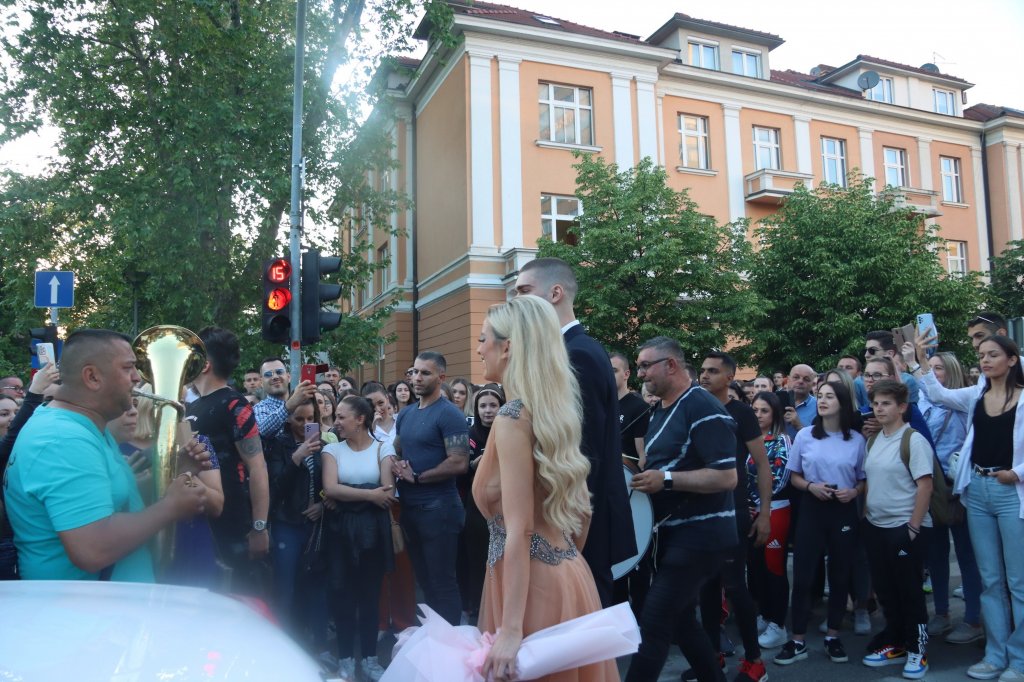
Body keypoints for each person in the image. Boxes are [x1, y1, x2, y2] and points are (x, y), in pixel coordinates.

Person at [473, 295, 617, 682]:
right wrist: (561, 561)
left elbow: (520, 529)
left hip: (528, 592)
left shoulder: (512, 418)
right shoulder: (553, 411)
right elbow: (582, 510)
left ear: (507, 347)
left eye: (484, 339)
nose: (479, 348)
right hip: (568, 575)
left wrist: (511, 629)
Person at [4, 329, 207, 581]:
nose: (137, 378)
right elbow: (92, 549)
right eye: (128, 368)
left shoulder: (83, 426)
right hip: (84, 604)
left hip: (104, 600)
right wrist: (171, 507)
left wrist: (173, 471)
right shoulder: (63, 439)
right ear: (92, 377)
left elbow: (106, 497)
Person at [514, 257, 635, 607]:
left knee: (588, 619)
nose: (517, 300)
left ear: (555, 293)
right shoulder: (569, 350)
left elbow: (583, 449)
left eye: (524, 291)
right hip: (578, 513)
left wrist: (565, 519)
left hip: (583, 516)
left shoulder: (577, 354)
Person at [908, 331, 1024, 681]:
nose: (985, 360)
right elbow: (937, 393)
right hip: (978, 489)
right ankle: (995, 655)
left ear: (1013, 360)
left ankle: (1019, 660)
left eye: (993, 354)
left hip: (1011, 491)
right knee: (990, 580)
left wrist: (1016, 473)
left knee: (1018, 581)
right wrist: (920, 359)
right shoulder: (977, 395)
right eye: (982, 355)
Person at [626, 336, 738, 682]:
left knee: (654, 623)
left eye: (646, 366)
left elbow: (727, 476)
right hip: (676, 535)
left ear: (671, 365)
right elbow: (662, 465)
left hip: (701, 534)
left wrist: (666, 479)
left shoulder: (702, 407)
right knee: (682, 622)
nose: (640, 374)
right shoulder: (661, 410)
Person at [692, 352, 772, 682]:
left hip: (734, 510)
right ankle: (714, 658)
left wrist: (764, 513)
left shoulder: (741, 412)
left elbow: (762, 465)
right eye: (702, 370)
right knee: (707, 589)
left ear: (729, 377)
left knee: (736, 586)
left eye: (713, 371)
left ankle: (755, 661)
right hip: (702, 512)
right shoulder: (693, 408)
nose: (704, 375)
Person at [774, 381, 865, 667]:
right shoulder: (805, 435)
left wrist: (854, 492)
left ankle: (833, 636)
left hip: (843, 509)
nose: (823, 401)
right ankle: (797, 639)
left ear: (842, 403)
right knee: (803, 576)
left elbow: (863, 479)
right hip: (812, 508)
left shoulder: (856, 440)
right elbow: (794, 476)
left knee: (839, 575)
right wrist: (811, 486)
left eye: (830, 396)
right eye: (820, 396)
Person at [186, 327, 271, 595]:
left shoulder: (235, 404)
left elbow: (257, 466)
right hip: (200, 521)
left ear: (205, 364)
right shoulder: (193, 406)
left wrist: (259, 527)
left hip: (232, 525)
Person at [860, 380, 934, 679]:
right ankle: (896, 643)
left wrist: (913, 528)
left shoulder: (913, 440)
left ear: (902, 407)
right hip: (876, 527)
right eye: (876, 403)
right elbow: (870, 481)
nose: (879, 409)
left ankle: (918, 650)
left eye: (886, 403)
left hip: (903, 527)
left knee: (910, 592)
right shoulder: (874, 440)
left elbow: (925, 485)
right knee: (887, 591)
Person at [391, 351, 469, 626]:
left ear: (441, 377)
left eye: (425, 372)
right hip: (410, 509)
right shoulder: (406, 414)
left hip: (440, 510)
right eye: (414, 371)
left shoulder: (450, 414)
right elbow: (397, 450)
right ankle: (433, 640)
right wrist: (396, 463)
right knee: (424, 582)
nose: (417, 378)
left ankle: (451, 643)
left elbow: (459, 462)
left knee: (442, 583)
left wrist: (418, 477)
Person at [322, 395, 396, 682]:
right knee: (342, 595)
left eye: (342, 417)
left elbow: (387, 492)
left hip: (373, 534)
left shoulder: (383, 447)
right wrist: (368, 494)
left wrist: (347, 494)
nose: (336, 422)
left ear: (360, 419)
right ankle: (345, 660)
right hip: (340, 534)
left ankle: (369, 659)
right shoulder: (332, 449)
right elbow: (330, 488)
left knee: (369, 596)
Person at [919, 352, 983, 645]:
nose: (932, 373)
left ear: (952, 372)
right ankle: (942, 612)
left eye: (939, 369)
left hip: (957, 486)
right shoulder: (923, 403)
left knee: (967, 554)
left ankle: (973, 618)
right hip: (931, 486)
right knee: (936, 554)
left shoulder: (964, 403)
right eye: (930, 368)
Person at [266, 396, 328, 653]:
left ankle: (320, 645)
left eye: (311, 419)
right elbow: (275, 488)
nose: (305, 424)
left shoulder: (324, 446)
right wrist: (296, 458)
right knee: (285, 586)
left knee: (317, 585)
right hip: (288, 523)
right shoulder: (278, 445)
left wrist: (323, 504)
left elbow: (331, 484)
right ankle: (282, 646)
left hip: (315, 526)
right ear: (289, 419)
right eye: (299, 419)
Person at [0, 362, 59, 580]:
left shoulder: (28, 447)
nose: (13, 418)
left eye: (16, 412)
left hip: (19, 544)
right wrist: (35, 392)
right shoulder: (7, 447)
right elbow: (11, 438)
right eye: (4, 413)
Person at [749, 391, 794, 651]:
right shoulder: (748, 439)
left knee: (774, 568)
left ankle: (778, 624)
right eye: (754, 410)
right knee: (756, 568)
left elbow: (779, 478)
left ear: (775, 414)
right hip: (751, 511)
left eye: (764, 411)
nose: (758, 415)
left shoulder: (782, 441)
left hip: (775, 509)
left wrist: (756, 500)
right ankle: (765, 614)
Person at [460, 384, 505, 619]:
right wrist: (485, 459)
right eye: (483, 406)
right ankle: (478, 608)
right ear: (476, 409)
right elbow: (464, 471)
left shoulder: (510, 432)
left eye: (493, 405)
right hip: (477, 506)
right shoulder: (471, 435)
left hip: (505, 505)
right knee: (478, 558)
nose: (488, 411)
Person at [253, 357, 318, 439]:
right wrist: (289, 406)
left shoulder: (305, 401)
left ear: (288, 377)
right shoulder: (259, 408)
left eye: (279, 372)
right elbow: (263, 431)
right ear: (261, 382)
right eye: (268, 374)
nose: (275, 377)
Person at [609, 352, 649, 472]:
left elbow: (642, 457)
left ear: (626, 374)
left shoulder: (639, 407)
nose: (608, 374)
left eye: (614, 370)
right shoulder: (600, 406)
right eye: (605, 370)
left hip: (625, 473)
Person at [781, 364, 817, 439]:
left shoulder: (819, 407)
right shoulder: (776, 402)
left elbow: (819, 441)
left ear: (812, 384)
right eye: (796, 377)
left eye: (806, 379)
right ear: (788, 380)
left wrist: (799, 426)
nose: (800, 381)